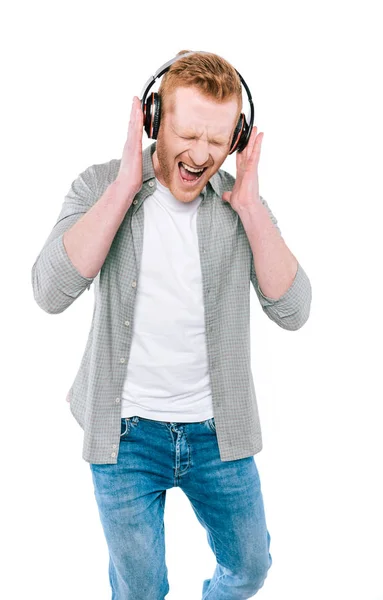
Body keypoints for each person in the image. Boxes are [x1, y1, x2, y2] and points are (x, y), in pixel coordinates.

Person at [31, 50, 312, 599]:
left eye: (218, 139)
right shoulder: (99, 187)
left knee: (251, 568)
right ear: (154, 120)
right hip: (126, 438)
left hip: (218, 435)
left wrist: (251, 209)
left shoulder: (241, 204)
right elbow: (49, 292)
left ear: (237, 137)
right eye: (187, 134)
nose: (201, 154)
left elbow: (295, 311)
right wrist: (124, 186)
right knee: (139, 591)